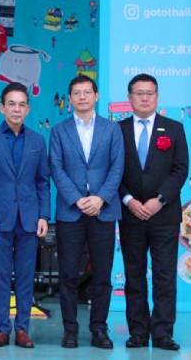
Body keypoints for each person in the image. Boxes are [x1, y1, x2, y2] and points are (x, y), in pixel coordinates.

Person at [48, 76, 123, 349]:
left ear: (96, 96)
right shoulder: (59, 131)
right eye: (77, 93)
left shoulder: (112, 129)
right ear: (70, 99)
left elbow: (117, 167)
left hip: (103, 211)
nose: (82, 97)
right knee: (68, 274)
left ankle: (99, 329)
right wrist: (77, 199)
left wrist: (100, 198)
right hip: (71, 212)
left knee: (102, 275)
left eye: (87, 92)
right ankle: (70, 330)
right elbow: (56, 167)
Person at [118, 73, 188, 351]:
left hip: (164, 215)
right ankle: (137, 332)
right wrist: (128, 200)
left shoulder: (174, 129)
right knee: (134, 274)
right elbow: (113, 171)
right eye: (139, 93)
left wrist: (159, 200)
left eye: (150, 93)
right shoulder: (118, 130)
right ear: (130, 98)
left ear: (157, 97)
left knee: (164, 275)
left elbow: (180, 169)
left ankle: (162, 333)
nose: (145, 98)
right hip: (130, 214)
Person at [0, 82, 50, 349]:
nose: (16, 109)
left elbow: (43, 181)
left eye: (21, 104)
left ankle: (22, 329)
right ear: (2, 107)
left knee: (25, 277)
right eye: (11, 104)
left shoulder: (38, 141)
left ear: (28, 109)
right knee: (0, 276)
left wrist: (44, 215)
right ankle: (1, 329)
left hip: (29, 219)